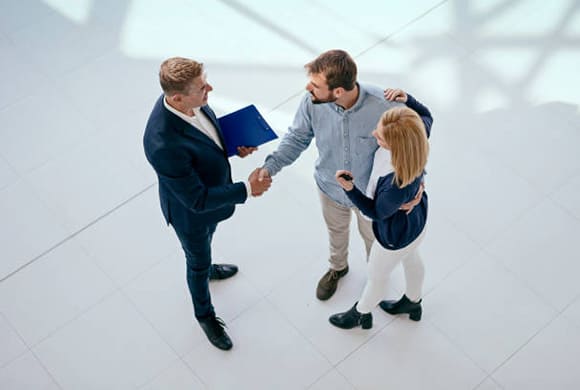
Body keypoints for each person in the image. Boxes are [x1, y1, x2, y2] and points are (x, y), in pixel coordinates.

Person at [257, 49, 418, 300]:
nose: (308, 88)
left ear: (338, 91)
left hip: (371, 197)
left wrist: (416, 188)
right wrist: (270, 167)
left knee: (375, 243)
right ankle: (337, 268)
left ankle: (375, 278)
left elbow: (413, 147)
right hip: (330, 189)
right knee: (336, 233)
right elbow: (297, 138)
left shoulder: (386, 105)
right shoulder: (311, 102)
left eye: (316, 85)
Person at [143, 57, 271, 350]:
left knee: (209, 241)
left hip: (213, 198)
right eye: (202, 87)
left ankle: (209, 266)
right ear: (177, 98)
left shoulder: (189, 101)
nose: (210, 89)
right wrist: (248, 188)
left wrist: (232, 146)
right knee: (196, 261)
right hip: (192, 214)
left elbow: (205, 139)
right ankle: (204, 315)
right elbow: (197, 199)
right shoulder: (162, 144)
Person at [328, 88, 432, 330]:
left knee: (377, 278)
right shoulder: (418, 137)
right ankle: (413, 302)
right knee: (412, 257)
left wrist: (349, 188)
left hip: (394, 237)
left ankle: (359, 314)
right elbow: (427, 116)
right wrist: (409, 99)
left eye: (381, 138)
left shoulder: (395, 184)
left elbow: (376, 212)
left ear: (397, 146)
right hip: (418, 222)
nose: (375, 133)